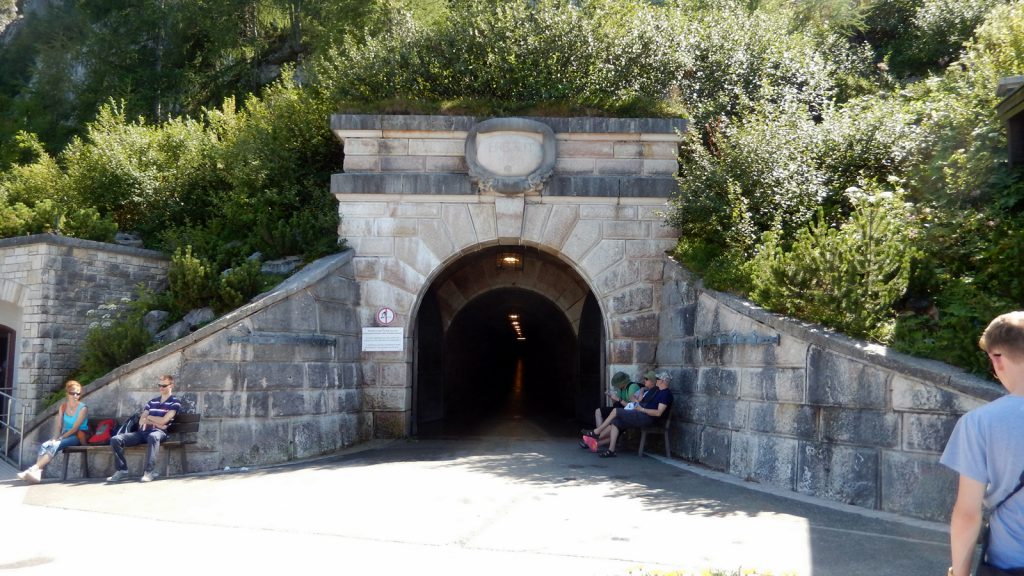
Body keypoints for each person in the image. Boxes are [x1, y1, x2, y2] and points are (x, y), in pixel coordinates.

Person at [941, 311, 1024, 576]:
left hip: (1009, 565)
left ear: (997, 359)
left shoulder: (980, 423)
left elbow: (968, 513)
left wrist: (960, 573)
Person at [107, 374, 181, 483]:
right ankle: (122, 470)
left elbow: (164, 421)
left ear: (171, 386)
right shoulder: (152, 402)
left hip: (159, 432)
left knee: (153, 436)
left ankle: (149, 472)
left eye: (164, 386)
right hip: (142, 432)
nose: (161, 388)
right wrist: (154, 421)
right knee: (115, 439)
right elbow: (142, 420)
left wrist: (150, 418)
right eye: (159, 385)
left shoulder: (175, 402)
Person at [582, 370, 673, 458]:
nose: (656, 380)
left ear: (662, 381)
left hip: (647, 418)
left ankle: (596, 432)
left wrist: (642, 409)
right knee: (616, 421)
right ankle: (611, 450)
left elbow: (658, 413)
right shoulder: (658, 391)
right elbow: (642, 400)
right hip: (641, 414)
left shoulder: (665, 394)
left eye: (657, 379)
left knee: (616, 411)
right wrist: (641, 396)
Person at [17, 380, 89, 484]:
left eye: (78, 393)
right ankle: (37, 473)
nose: (75, 395)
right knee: (45, 445)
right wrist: (55, 437)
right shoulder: (63, 407)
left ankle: (33, 469)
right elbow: (59, 426)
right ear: (67, 394)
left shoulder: (83, 408)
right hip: (65, 435)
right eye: (73, 393)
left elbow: (75, 428)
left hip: (77, 436)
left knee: (55, 445)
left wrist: (60, 439)